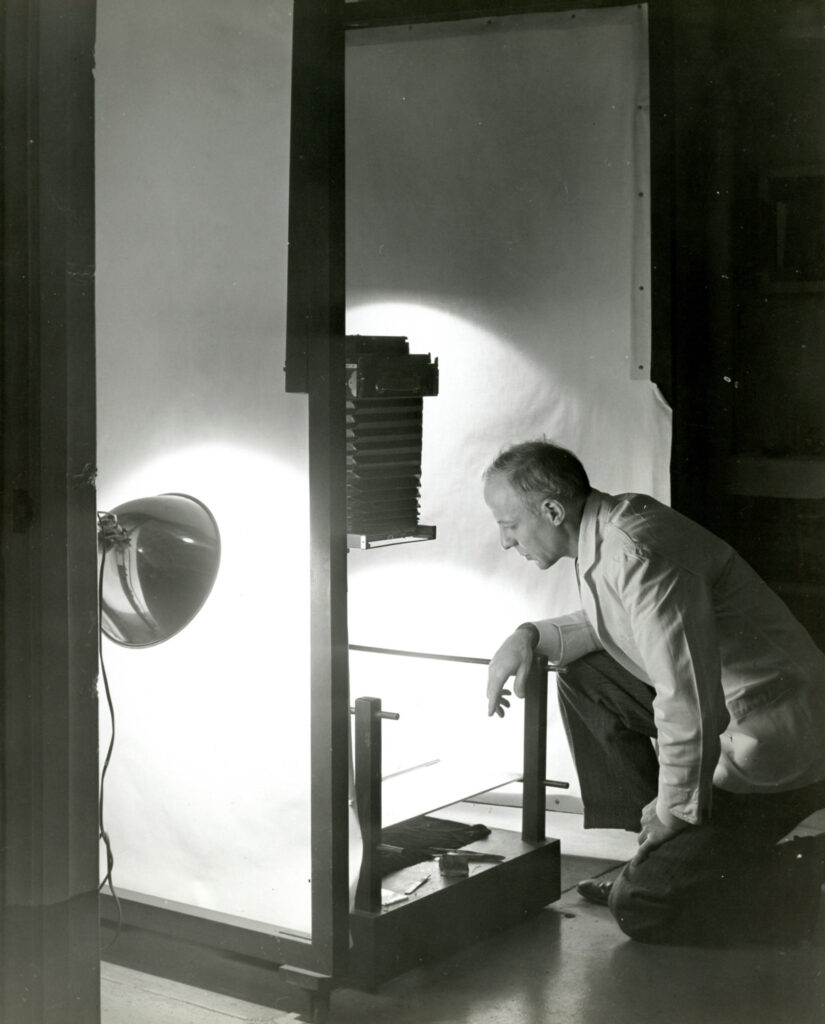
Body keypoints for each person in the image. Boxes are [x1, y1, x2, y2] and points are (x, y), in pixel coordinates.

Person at [484, 439, 825, 945]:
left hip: (774, 740)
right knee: (584, 675)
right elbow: (615, 626)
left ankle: (807, 870)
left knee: (641, 907)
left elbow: (688, 700)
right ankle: (656, 849)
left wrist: (673, 810)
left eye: (509, 524)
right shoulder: (609, 529)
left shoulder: (638, 550)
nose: (506, 541)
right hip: (733, 714)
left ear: (552, 511)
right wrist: (528, 635)